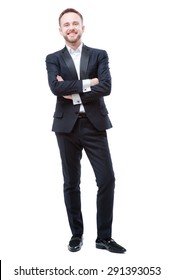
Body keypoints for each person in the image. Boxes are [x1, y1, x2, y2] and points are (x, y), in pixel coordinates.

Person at [45, 8, 126, 253]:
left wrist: (72, 90)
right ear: (60, 30)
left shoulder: (99, 55)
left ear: (82, 26)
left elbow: (107, 87)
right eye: (66, 24)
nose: (71, 28)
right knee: (71, 182)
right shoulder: (53, 58)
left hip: (94, 124)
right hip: (65, 127)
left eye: (75, 23)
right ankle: (76, 234)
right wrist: (89, 83)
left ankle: (104, 237)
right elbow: (54, 88)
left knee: (107, 179)